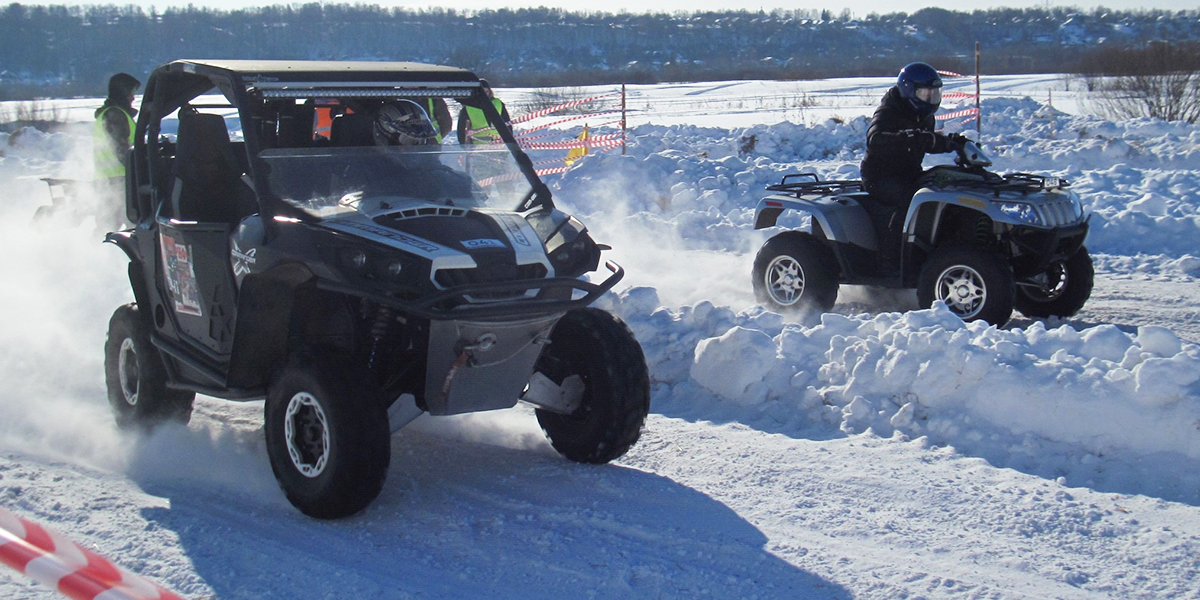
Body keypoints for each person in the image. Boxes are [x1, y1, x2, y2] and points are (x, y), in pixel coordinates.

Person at [859, 62, 967, 267]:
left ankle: (938, 247)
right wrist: (906, 137)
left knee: (945, 189)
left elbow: (925, 140)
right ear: (909, 91)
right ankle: (892, 258)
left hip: (910, 173)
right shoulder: (889, 112)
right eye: (926, 94)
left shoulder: (924, 116)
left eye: (935, 94)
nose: (931, 99)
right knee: (910, 200)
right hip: (880, 177)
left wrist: (952, 143)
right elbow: (875, 139)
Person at [94, 73, 140, 181]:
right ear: (122, 92)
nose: (133, 97)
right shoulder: (114, 115)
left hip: (110, 180)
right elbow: (121, 150)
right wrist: (142, 169)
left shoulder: (113, 114)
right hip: (118, 180)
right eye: (132, 92)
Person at [456, 79, 511, 145]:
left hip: (498, 144)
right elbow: (461, 128)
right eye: (482, 92)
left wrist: (510, 143)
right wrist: (463, 144)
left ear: (490, 91)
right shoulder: (468, 107)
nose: (484, 94)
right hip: (478, 147)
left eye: (486, 91)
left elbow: (507, 123)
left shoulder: (498, 103)